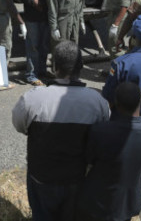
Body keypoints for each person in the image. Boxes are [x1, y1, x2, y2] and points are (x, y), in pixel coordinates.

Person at [12, 40, 110, 221]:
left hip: (41, 176)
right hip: (77, 177)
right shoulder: (97, 102)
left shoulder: (33, 99)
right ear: (81, 66)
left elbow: (19, 125)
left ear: (55, 66)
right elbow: (102, 135)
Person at [81, 82, 141, 221]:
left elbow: (90, 159)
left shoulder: (99, 130)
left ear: (115, 103)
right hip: (129, 203)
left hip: (98, 200)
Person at [18, 0, 56, 85]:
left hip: (47, 17)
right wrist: (33, 0)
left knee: (44, 46)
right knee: (33, 46)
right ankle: (31, 75)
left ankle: (42, 72)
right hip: (32, 17)